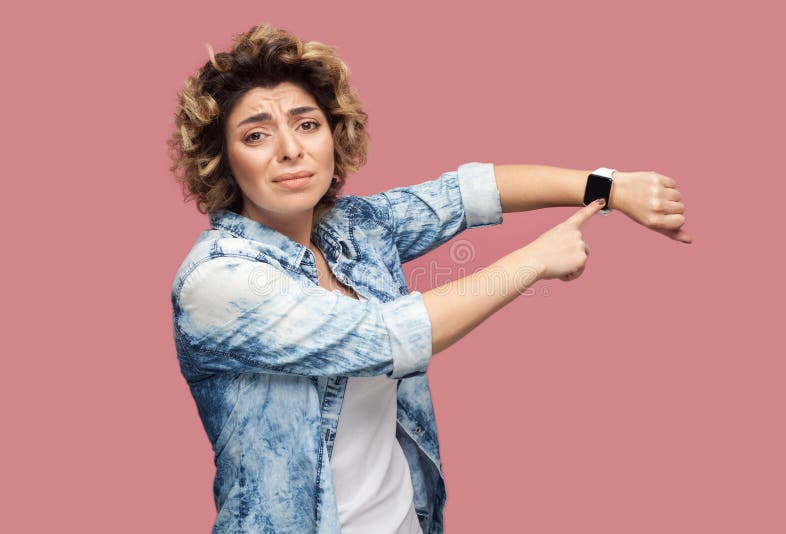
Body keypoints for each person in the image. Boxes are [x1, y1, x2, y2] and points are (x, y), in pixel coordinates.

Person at [167, 23, 692, 534]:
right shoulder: (218, 281)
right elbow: (385, 336)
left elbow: (466, 193)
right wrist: (535, 259)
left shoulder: (353, 228)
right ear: (223, 160)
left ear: (334, 136)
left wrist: (608, 185)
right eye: (256, 135)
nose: (289, 149)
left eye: (307, 125)